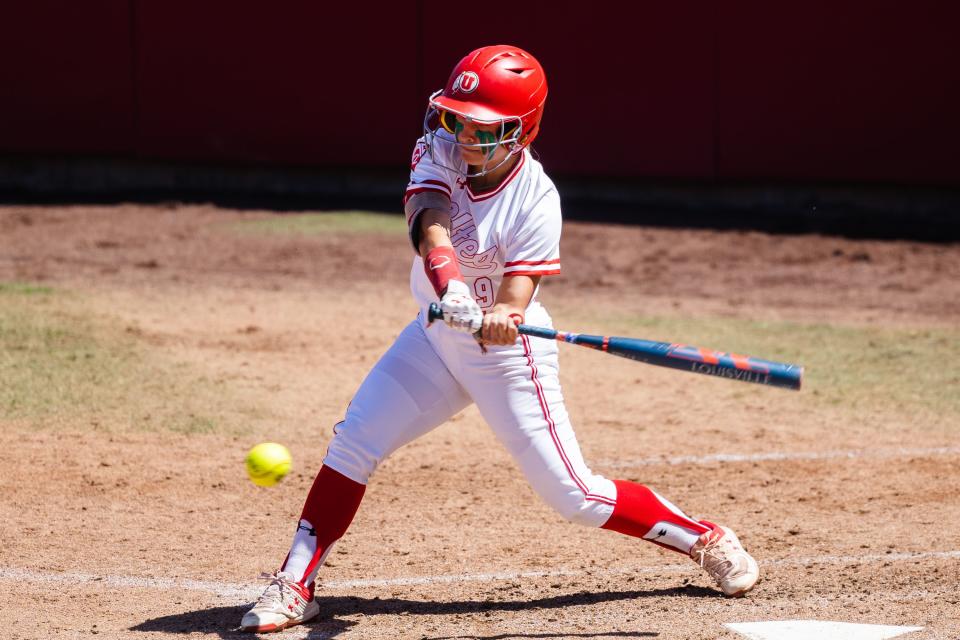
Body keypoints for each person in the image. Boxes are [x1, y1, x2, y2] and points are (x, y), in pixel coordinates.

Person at [240, 44, 759, 633]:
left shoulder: (538, 200)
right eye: (457, 118)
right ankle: (295, 583)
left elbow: (517, 295)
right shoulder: (433, 149)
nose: (462, 135)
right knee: (354, 442)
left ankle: (702, 537)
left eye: (482, 127)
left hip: (508, 356)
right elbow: (430, 220)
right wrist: (454, 290)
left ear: (523, 129)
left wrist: (499, 315)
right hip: (435, 339)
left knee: (574, 495)